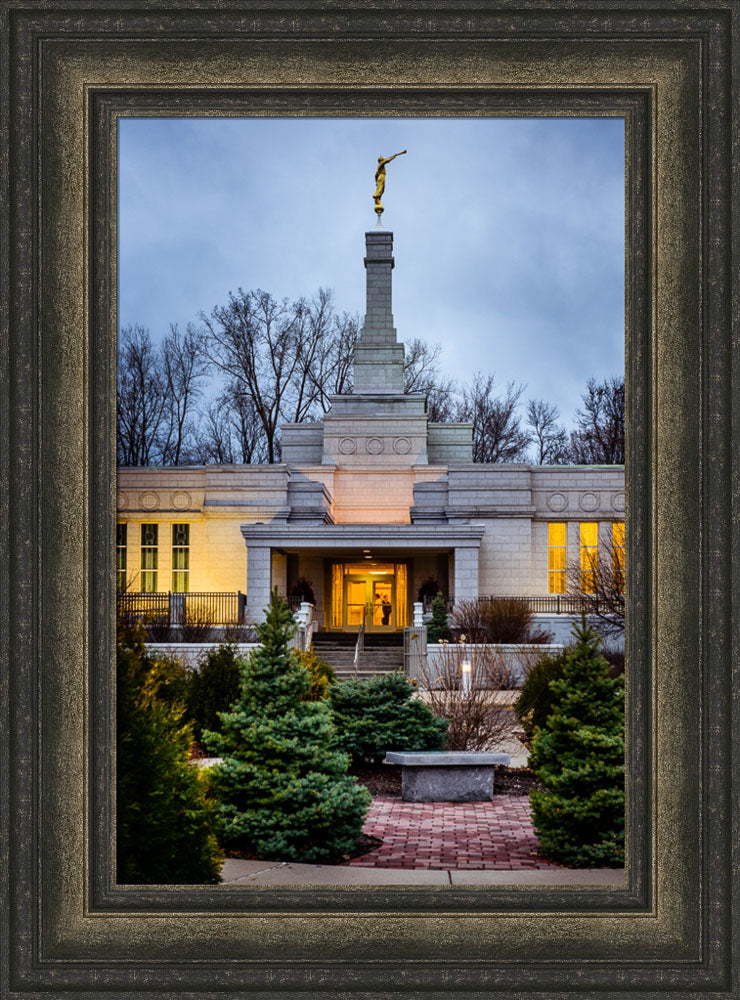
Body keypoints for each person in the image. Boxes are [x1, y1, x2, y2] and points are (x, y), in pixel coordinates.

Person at [373, 150, 406, 215]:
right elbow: (387, 160)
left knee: (382, 189)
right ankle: (376, 196)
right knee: (380, 189)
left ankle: (378, 200)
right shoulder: (381, 163)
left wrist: (376, 182)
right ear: (381, 160)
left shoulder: (379, 167)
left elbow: (375, 175)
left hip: (380, 177)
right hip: (382, 176)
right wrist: (394, 156)